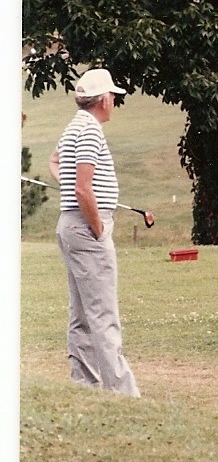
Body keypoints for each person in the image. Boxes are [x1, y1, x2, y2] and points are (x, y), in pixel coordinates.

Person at [48, 66, 140, 396]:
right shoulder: (89, 131)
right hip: (87, 228)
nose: (114, 100)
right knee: (103, 313)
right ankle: (122, 392)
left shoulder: (74, 127)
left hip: (72, 227)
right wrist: (98, 227)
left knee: (82, 314)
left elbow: (57, 163)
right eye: (112, 95)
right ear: (102, 100)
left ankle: (84, 384)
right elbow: (84, 189)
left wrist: (78, 198)